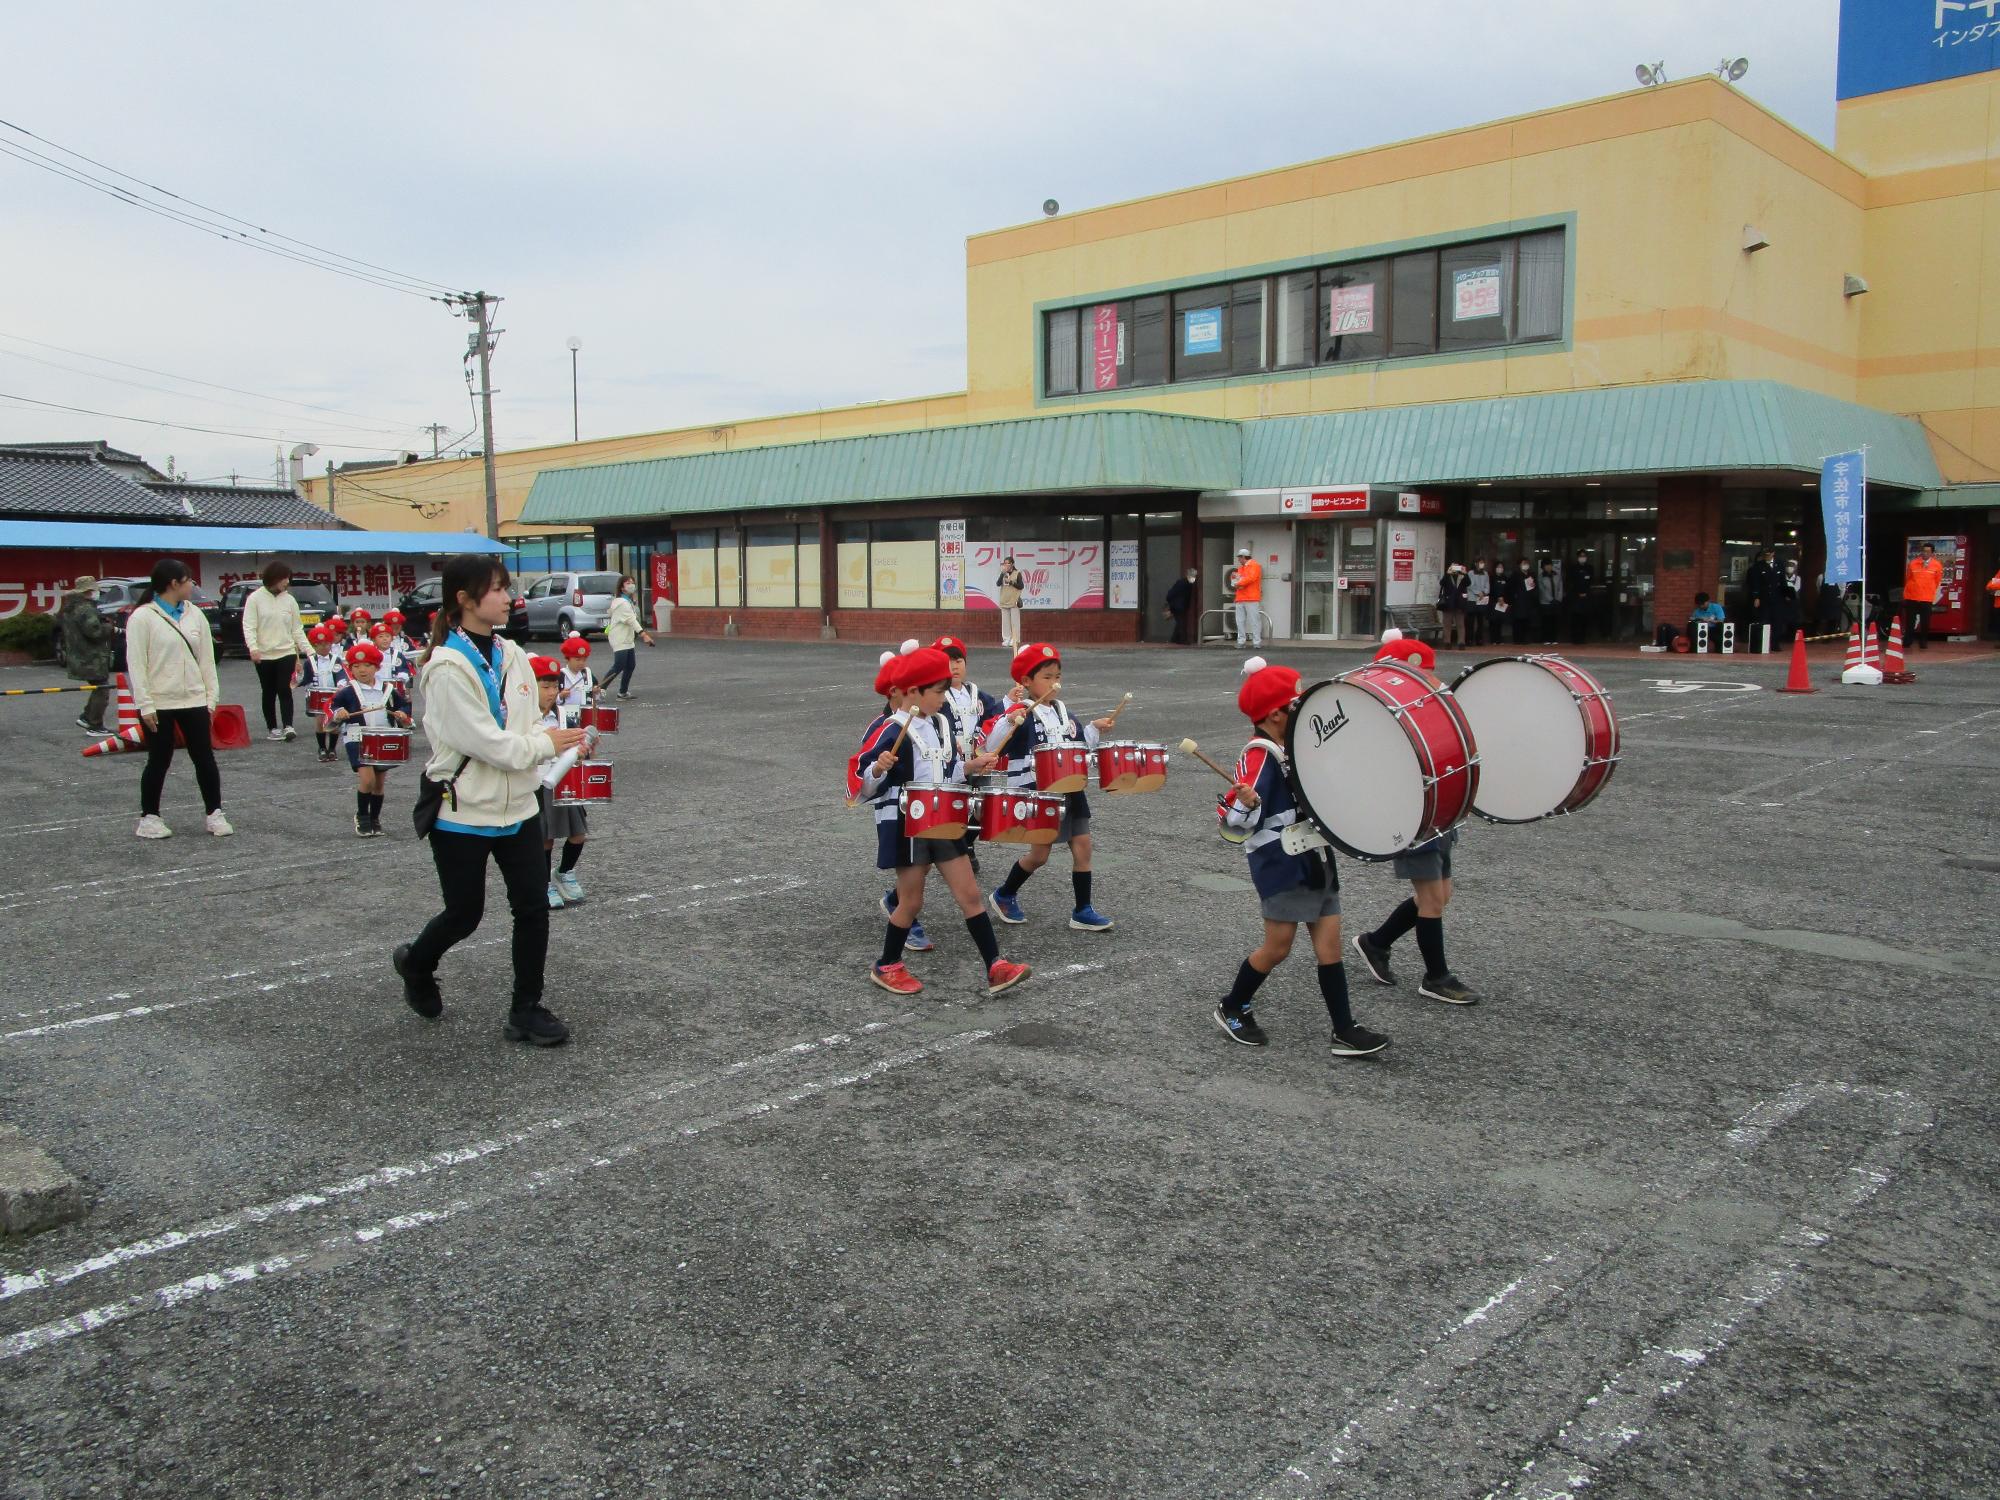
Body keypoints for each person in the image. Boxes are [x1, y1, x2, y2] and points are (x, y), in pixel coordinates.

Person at [392, 553, 587, 1047]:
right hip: (462, 812)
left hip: (519, 806)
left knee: (532, 908)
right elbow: (489, 744)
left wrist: (563, 739)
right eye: (497, 589)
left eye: (506, 587)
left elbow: (527, 722)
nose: (508, 597)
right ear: (464, 599)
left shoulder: (512, 653)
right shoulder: (445, 667)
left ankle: (526, 1009)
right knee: (464, 914)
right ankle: (417, 963)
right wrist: (547, 746)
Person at [1213, 658, 1388, 1056]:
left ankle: (1344, 1029)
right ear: (1275, 714)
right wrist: (1247, 803)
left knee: (1330, 947)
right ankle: (1233, 1005)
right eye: (1295, 705)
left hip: (1316, 860)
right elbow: (1231, 821)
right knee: (1278, 947)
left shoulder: (1295, 747)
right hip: (1283, 865)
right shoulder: (1258, 755)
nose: (1302, 710)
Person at [858, 647, 1030, 997]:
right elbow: (863, 782)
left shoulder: (939, 724)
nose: (943, 698)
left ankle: (995, 965)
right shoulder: (892, 729)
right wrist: (878, 768)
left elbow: (946, 772)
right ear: (913, 692)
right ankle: (887, 965)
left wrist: (970, 766)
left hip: (945, 819)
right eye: (938, 691)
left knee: (970, 895)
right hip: (909, 824)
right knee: (911, 902)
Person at [1349, 635, 1481, 1006]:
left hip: (1439, 813)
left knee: (1440, 895)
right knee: (1431, 899)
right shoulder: (1379, 718)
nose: (1430, 684)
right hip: (1412, 818)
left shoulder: (1422, 713)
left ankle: (1376, 942)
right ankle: (1436, 977)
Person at [984, 643, 1116, 931]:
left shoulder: (1061, 710)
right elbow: (992, 746)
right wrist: (1008, 721)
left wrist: (1094, 728)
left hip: (1070, 787)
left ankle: (1082, 909)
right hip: (1039, 791)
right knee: (1039, 855)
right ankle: (1004, 893)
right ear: (1026, 681)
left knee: (1083, 846)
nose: (1054, 682)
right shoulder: (1022, 710)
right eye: (1046, 677)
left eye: (1057, 676)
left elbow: (1079, 745)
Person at [127, 558, 230, 840]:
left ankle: (215, 813)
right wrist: (144, 704)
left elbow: (207, 659)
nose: (192, 586)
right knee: (159, 760)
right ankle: (149, 817)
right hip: (159, 702)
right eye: (188, 581)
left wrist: (211, 698)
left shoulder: (194, 614)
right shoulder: (143, 617)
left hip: (194, 699)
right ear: (174, 584)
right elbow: (136, 664)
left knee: (204, 758)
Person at [327, 641, 412, 838]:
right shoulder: (347, 691)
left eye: (367, 665)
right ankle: (362, 816)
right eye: (356, 666)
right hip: (357, 737)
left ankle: (375, 818)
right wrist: (339, 712)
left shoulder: (388, 689)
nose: (362, 670)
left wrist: (402, 713)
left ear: (377, 667)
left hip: (382, 737)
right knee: (368, 779)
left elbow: (404, 705)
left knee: (379, 783)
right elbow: (333, 707)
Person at [530, 654, 594, 908]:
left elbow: (579, 747)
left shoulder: (564, 714)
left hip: (566, 781)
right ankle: (543, 883)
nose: (551, 692)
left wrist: (585, 748)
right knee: (545, 838)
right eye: (545, 686)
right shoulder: (523, 718)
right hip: (538, 782)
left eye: (554, 686)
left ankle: (564, 872)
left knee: (578, 834)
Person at [242, 561, 311, 743]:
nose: (287, 582)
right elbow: (249, 626)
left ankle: (288, 726)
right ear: (274, 578)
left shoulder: (289, 600)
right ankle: (272, 728)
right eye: (284, 578)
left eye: (288, 578)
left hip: (286, 652)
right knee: (269, 691)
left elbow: (297, 629)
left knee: (284, 688)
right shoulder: (255, 599)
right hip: (263, 654)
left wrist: (310, 652)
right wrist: (253, 648)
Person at [58, 576, 113, 733]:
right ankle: (94, 723)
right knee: (102, 688)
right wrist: (109, 627)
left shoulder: (69, 608)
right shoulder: (85, 609)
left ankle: (87, 717)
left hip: (79, 655)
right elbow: (95, 632)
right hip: (92, 656)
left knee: (99, 687)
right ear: (89, 591)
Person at [601, 576, 654, 699]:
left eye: (632, 582)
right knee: (619, 665)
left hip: (627, 638)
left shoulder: (628, 601)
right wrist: (644, 635)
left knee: (630, 665)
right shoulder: (622, 603)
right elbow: (631, 620)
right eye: (628, 583)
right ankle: (599, 690)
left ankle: (623, 692)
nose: (631, 585)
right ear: (622, 587)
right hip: (619, 638)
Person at [300, 626, 347, 762]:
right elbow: (306, 679)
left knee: (334, 722)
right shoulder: (309, 662)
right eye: (320, 644)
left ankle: (332, 748)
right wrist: (299, 678)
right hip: (318, 696)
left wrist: (341, 685)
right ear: (314, 645)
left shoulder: (336, 660)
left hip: (334, 695)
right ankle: (321, 747)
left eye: (326, 644)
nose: (324, 647)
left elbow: (341, 674)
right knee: (320, 722)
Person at [1902, 542, 1942, 650]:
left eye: (1928, 551)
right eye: (1924, 551)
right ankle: (1907, 641)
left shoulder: (1937, 565)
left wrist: (1929, 589)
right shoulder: (1913, 563)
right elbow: (1908, 578)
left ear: (1932, 553)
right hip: (1912, 596)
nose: (1925, 553)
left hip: (1926, 597)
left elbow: (1937, 580)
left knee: (1925, 621)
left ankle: (1923, 641)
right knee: (1910, 620)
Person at [1230, 547, 1264, 648]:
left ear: (1243, 557)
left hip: (1251, 597)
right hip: (1241, 597)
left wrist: (1238, 583)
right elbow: (1240, 580)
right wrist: (1236, 581)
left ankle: (1256, 642)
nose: (1238, 559)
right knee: (1240, 621)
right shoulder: (1241, 568)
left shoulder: (1254, 565)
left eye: (1239, 557)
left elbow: (1251, 578)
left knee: (1254, 620)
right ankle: (1242, 641)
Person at [1743, 546, 1776, 643]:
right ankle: (1755, 639)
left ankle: (1768, 639)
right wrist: (1756, 597)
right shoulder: (1754, 569)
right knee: (1756, 618)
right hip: (1756, 598)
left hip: (1769, 598)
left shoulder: (1774, 567)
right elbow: (1752, 584)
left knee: (1769, 619)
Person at [1565, 550, 1597, 645]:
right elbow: (1570, 582)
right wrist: (1577, 593)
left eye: (1584, 556)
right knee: (1575, 618)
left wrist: (1586, 593)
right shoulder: (1573, 568)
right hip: (1575, 597)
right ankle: (1575, 638)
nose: (1582, 558)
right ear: (1577, 557)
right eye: (1581, 556)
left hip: (1586, 597)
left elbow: (1591, 582)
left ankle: (1583, 638)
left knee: (1584, 618)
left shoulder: (1589, 568)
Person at [1506, 558, 1539, 646]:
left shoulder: (1531, 574)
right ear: (1519, 565)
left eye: (1527, 563)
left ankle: (1526, 639)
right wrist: (1513, 597)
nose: (1526, 565)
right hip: (1518, 601)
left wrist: (1534, 586)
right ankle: (1517, 639)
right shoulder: (1515, 575)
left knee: (1527, 620)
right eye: (1524, 563)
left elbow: (1535, 587)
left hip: (1529, 601)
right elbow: (1509, 588)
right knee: (1518, 621)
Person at [558, 631, 595, 708]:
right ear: (567, 659)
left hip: (586, 712)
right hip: (565, 712)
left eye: (584, 660)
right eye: (577, 660)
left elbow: (596, 693)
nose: (581, 663)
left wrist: (596, 691)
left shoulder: (587, 673)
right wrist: (560, 696)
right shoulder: (560, 676)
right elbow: (550, 700)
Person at [1436, 563, 1469, 648]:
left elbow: (1468, 583)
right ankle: (1447, 642)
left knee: (1460, 624)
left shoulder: (1462, 576)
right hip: (1448, 603)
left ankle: (1461, 643)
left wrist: (1465, 573)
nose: (1455, 569)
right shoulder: (1447, 576)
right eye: (1454, 567)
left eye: (1457, 567)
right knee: (1447, 624)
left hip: (1459, 603)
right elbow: (1442, 583)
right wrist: (1447, 573)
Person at [996, 558, 1025, 651]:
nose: (1005, 565)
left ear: (1012, 564)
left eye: (1007, 563)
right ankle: (1006, 638)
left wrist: (1011, 582)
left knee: (1015, 621)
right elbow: (998, 584)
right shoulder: (1003, 573)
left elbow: (1021, 586)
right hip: (1004, 600)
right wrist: (1002, 574)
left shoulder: (1017, 573)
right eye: (1004, 563)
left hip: (1014, 601)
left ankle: (1015, 639)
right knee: (1005, 622)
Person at [1164, 568, 1197, 645]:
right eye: (1193, 575)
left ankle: (1175, 639)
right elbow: (1171, 594)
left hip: (1181, 606)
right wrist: (1171, 603)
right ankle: (1181, 639)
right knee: (1181, 622)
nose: (1194, 577)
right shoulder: (1182, 583)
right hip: (1177, 606)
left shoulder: (1189, 584)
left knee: (1180, 622)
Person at [1536, 558, 1564, 645]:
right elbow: (1542, 590)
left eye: (1550, 565)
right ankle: (1546, 639)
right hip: (1546, 603)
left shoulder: (1557, 575)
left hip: (1556, 602)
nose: (1548, 567)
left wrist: (1558, 598)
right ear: (1543, 567)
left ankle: (1554, 639)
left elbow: (1560, 587)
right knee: (1546, 621)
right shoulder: (1541, 576)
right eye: (1546, 565)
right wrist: (1551, 599)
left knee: (1555, 621)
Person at [1466, 558, 1492, 646]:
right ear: (1476, 563)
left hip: (1482, 599)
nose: (1482, 564)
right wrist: (1478, 592)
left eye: (1483, 562)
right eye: (1480, 562)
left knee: (1481, 621)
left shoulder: (1485, 573)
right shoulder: (1470, 573)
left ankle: (1479, 639)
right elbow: (1469, 585)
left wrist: (1484, 592)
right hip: (1472, 599)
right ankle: (1469, 639)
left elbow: (1487, 585)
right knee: (1470, 621)